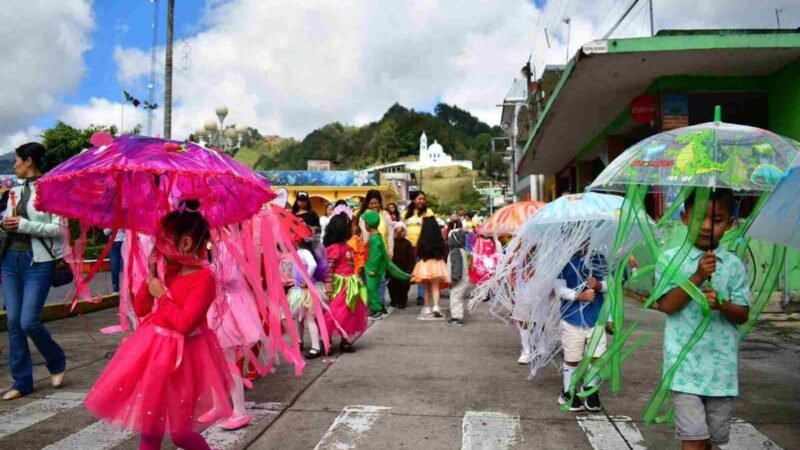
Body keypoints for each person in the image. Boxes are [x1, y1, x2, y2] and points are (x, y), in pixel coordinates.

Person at [85, 209, 232, 450]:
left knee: (181, 434)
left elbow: (185, 323)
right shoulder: (170, 271)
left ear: (186, 242)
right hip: (155, 356)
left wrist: (162, 295)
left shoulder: (204, 278)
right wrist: (150, 276)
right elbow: (142, 308)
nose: (159, 248)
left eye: (164, 241)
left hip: (183, 360)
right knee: (150, 430)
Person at [656, 189, 749, 450]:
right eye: (699, 219)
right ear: (685, 218)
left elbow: (742, 314)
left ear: (730, 224)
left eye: (717, 220)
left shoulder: (734, 266)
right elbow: (667, 305)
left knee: (711, 441)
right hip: (684, 370)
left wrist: (723, 304)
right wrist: (697, 277)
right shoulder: (669, 259)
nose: (707, 226)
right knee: (693, 440)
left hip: (721, 372)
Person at [1, 143, 66, 401]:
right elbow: (8, 222)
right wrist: (6, 223)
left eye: (16, 160)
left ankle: (57, 359)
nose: (14, 165)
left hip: (37, 262)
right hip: (9, 260)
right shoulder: (14, 191)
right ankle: (22, 381)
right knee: (13, 323)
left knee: (29, 321)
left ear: (29, 161)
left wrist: (25, 225)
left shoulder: (51, 189)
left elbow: (60, 228)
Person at [208, 236, 268, 430]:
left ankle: (239, 411)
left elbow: (229, 277)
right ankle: (219, 404)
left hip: (230, 307)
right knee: (216, 360)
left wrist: (204, 269)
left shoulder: (228, 243)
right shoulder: (221, 243)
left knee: (227, 360)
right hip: (222, 305)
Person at [554, 249, 609, 412]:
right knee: (572, 357)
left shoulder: (598, 259)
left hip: (596, 317)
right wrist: (580, 296)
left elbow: (609, 284)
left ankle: (590, 388)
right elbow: (558, 288)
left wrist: (598, 285)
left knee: (597, 356)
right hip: (572, 318)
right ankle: (567, 391)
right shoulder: (562, 259)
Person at [323, 214, 368, 353]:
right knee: (333, 313)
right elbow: (329, 269)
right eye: (348, 225)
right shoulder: (334, 248)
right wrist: (329, 286)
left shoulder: (347, 246)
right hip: (338, 285)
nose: (351, 228)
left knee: (348, 313)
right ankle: (326, 340)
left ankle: (344, 339)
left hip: (349, 285)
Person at [363, 211, 409, 320]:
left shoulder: (374, 239)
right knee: (372, 289)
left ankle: (377, 309)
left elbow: (376, 255)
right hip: (373, 267)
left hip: (373, 269)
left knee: (371, 289)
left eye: (365, 222)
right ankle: (374, 309)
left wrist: (373, 269)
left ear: (368, 225)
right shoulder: (376, 236)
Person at [287, 237, 327, 359]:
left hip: (306, 290)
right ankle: (300, 342)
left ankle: (315, 347)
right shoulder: (306, 251)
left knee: (308, 318)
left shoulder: (302, 252)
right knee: (299, 317)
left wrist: (306, 279)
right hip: (300, 290)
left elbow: (312, 265)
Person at [358, 190, 394, 311]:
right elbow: (364, 233)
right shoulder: (364, 216)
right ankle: (372, 305)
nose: (374, 206)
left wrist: (390, 251)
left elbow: (390, 235)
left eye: (376, 203)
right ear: (367, 203)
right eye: (371, 203)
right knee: (370, 280)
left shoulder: (386, 216)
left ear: (380, 203)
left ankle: (380, 303)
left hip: (382, 250)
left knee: (382, 279)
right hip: (369, 251)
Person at [412, 217, 449, 319]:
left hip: (424, 265)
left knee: (426, 288)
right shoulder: (439, 239)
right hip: (438, 264)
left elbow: (418, 253)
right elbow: (444, 251)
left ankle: (427, 307)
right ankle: (436, 306)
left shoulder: (422, 240)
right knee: (436, 287)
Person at [404, 190, 435, 306]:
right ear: (413, 200)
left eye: (423, 199)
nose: (422, 201)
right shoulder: (406, 213)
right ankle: (403, 295)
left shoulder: (428, 212)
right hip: (407, 247)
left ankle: (421, 296)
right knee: (407, 271)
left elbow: (433, 229)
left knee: (422, 271)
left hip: (423, 247)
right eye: (419, 199)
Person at [446, 228, 471, 327]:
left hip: (458, 281)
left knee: (455, 298)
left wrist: (454, 279)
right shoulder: (462, 251)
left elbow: (457, 267)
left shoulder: (455, 252)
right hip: (463, 280)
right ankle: (457, 316)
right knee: (458, 298)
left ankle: (457, 318)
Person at [388, 223, 415, 309]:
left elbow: (411, 257)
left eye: (401, 231)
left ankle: (402, 301)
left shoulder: (408, 243)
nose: (399, 233)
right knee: (392, 285)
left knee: (404, 286)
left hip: (404, 269)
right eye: (397, 231)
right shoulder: (392, 243)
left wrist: (410, 269)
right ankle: (394, 300)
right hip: (393, 268)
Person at [103, 228, 125, 293]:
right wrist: (112, 226)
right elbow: (105, 232)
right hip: (113, 245)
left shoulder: (126, 217)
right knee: (114, 267)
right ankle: (115, 289)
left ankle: (128, 288)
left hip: (125, 242)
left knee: (124, 267)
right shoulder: (110, 218)